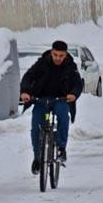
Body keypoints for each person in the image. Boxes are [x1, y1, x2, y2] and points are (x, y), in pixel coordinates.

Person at [20, 40, 83, 175]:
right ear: (51, 52)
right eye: (55, 55)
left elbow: (78, 83)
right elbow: (28, 77)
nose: (58, 58)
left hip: (60, 100)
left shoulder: (70, 67)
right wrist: (25, 91)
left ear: (65, 55)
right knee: (36, 125)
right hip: (41, 100)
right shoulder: (42, 63)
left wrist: (73, 94)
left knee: (63, 116)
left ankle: (61, 148)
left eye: (61, 56)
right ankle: (37, 158)